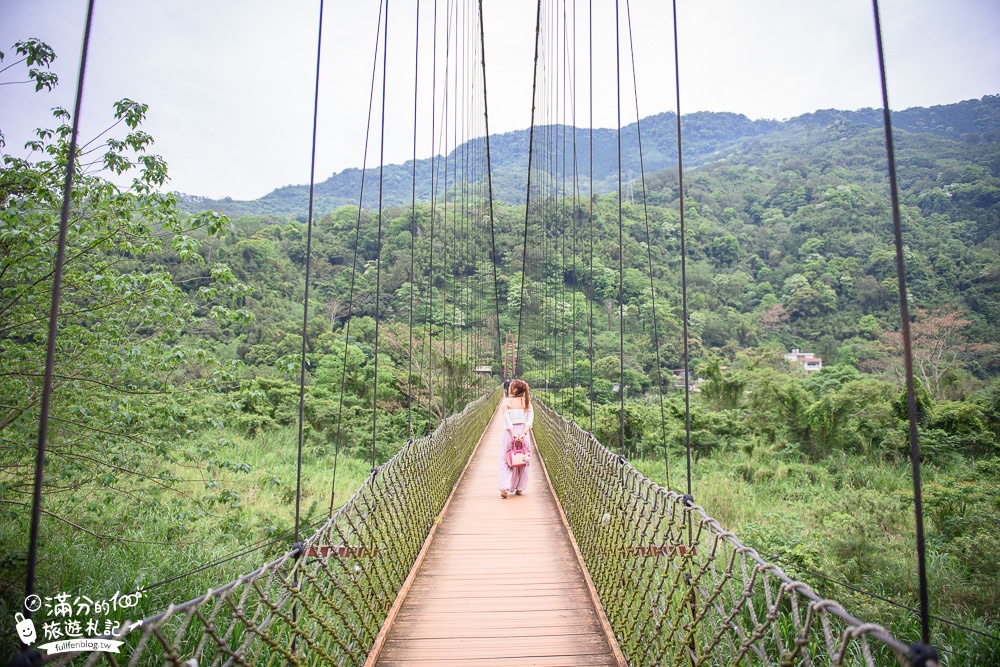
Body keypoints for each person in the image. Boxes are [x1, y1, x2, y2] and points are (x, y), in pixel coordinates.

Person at [498, 379, 533, 498]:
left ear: (515, 389)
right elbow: (529, 420)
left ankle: (505, 487)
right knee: (524, 459)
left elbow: (507, 420)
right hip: (524, 433)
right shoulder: (527, 402)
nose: (508, 388)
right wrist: (523, 434)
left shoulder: (506, 401)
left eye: (511, 386)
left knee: (506, 460)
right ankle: (520, 488)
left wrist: (513, 433)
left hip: (509, 432)